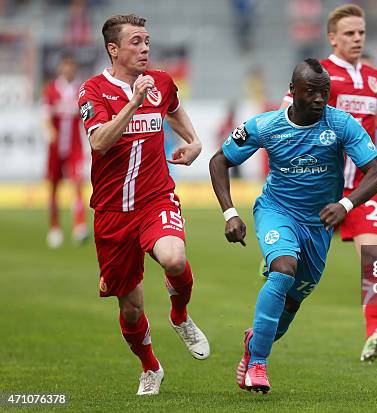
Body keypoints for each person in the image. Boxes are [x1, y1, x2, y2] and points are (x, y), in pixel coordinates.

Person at [209, 59, 377, 394]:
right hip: (276, 211)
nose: (320, 99)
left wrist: (345, 204)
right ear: (292, 92)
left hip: (318, 224)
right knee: (283, 268)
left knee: (291, 303)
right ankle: (259, 363)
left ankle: (254, 342)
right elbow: (219, 160)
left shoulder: (341, 125)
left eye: (325, 92)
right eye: (311, 92)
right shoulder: (265, 126)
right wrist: (230, 213)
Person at [78, 14, 209, 396]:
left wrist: (195, 140)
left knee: (174, 257)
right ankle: (150, 366)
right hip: (112, 211)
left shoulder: (161, 82)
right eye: (135, 42)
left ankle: (180, 316)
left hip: (155, 198)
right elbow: (99, 142)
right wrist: (133, 102)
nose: (145, 48)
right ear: (113, 49)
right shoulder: (93, 91)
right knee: (131, 308)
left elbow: (173, 108)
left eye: (147, 40)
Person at [281, 4, 377, 363]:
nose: (357, 39)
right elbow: (287, 111)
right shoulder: (320, 76)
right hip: (320, 190)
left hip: (364, 189)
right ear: (332, 38)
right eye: (350, 34)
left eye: (361, 33)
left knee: (376, 263)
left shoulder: (373, 76)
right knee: (295, 276)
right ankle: (267, 329)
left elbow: (370, 109)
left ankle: (373, 334)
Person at [43, 53, 88, 249]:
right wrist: (50, 132)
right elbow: (45, 116)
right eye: (65, 66)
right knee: (53, 187)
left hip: (74, 148)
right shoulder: (52, 90)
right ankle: (54, 227)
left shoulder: (81, 90)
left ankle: (80, 226)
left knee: (78, 183)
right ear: (61, 68)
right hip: (55, 149)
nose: (68, 70)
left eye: (72, 66)